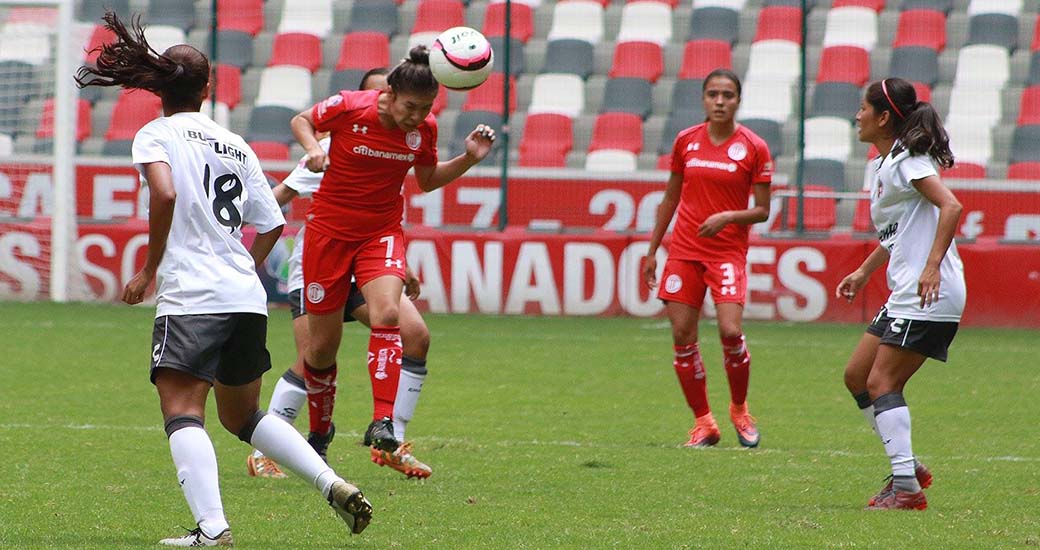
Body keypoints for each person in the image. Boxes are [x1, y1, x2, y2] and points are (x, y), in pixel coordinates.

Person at [75, 12, 372, 545]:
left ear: (159, 89)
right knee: (244, 416)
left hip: (192, 295)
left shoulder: (155, 133)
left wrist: (149, 268)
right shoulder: (234, 143)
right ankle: (331, 484)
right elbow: (274, 220)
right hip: (244, 296)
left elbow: (164, 193)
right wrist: (243, 266)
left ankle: (213, 529)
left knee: (182, 409)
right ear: (208, 90)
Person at [288, 47, 495, 469]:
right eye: (410, 107)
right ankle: (319, 434)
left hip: (380, 233)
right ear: (390, 95)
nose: (416, 116)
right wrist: (313, 147)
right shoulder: (350, 106)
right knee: (321, 350)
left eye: (425, 108)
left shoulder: (426, 130)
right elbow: (302, 119)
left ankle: (383, 423)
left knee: (387, 316)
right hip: (328, 234)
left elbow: (428, 179)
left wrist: (469, 159)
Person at [247, 69, 433, 480]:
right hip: (321, 257)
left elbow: (383, 212)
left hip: (365, 261)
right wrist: (240, 229)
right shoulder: (333, 140)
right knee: (313, 355)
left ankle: (390, 437)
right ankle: (269, 446)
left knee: (413, 332)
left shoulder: (403, 139)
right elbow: (279, 198)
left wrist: (404, 269)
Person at [837, 77, 964, 511]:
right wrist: (863, 270)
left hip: (927, 290)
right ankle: (906, 463)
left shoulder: (908, 159)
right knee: (858, 376)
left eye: (863, 108)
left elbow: (951, 206)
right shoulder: (886, 162)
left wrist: (930, 268)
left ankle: (906, 486)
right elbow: (898, 233)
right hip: (906, 290)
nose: (858, 115)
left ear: (884, 116)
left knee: (882, 381)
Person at [642, 68, 772, 448]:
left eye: (727, 95)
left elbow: (762, 210)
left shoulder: (753, 147)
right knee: (683, 337)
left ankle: (739, 409)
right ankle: (704, 423)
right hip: (684, 250)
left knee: (730, 331)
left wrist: (730, 216)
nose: (719, 101)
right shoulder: (686, 142)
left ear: (737, 100)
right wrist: (652, 250)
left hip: (727, 252)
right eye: (713, 94)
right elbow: (671, 197)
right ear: (703, 99)